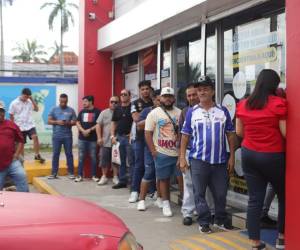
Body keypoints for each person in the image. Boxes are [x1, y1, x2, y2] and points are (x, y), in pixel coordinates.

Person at [236, 69, 286, 250]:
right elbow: (285, 133)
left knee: (254, 199)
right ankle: (281, 238)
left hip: (249, 154)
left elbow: (240, 132)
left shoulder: (243, 104)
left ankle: (255, 242)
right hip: (273, 156)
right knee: (283, 197)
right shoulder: (279, 103)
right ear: (275, 85)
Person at [180, 76, 236, 234]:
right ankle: (204, 222)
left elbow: (230, 135)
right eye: (199, 89)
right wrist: (182, 157)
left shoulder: (222, 111)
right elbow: (185, 136)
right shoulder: (192, 112)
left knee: (220, 193)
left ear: (212, 91)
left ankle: (220, 220)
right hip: (198, 161)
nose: (202, 92)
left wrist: (232, 156)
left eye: (205, 89)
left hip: (219, 161)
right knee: (199, 193)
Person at [145, 87, 181, 217]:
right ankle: (166, 203)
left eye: (170, 96)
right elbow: (147, 133)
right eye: (165, 96)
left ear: (174, 98)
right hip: (162, 153)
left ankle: (184, 203)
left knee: (181, 178)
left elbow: (183, 133)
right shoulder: (154, 113)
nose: (167, 99)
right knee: (163, 179)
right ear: (160, 98)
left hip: (178, 153)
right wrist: (153, 151)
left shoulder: (180, 113)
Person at [136, 89, 162, 211]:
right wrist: (154, 118)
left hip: (165, 147)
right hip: (150, 147)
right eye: (158, 99)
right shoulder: (148, 111)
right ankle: (141, 200)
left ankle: (160, 198)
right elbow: (139, 125)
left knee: (161, 174)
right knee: (149, 172)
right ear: (154, 100)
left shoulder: (171, 111)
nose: (161, 101)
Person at [129, 80, 154, 203]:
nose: (145, 91)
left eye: (147, 89)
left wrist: (144, 118)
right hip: (139, 138)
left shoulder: (153, 101)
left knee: (151, 166)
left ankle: (152, 191)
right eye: (143, 89)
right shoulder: (135, 103)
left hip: (152, 138)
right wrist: (151, 117)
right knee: (139, 164)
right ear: (139, 91)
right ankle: (134, 191)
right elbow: (136, 119)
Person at [9, 88, 45, 163]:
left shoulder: (29, 101)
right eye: (25, 97)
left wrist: (31, 99)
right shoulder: (14, 103)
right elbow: (11, 115)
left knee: (35, 137)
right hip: (19, 126)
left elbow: (36, 109)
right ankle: (22, 159)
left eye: (27, 97)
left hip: (29, 124)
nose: (26, 98)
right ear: (21, 94)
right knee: (21, 144)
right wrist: (12, 127)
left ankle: (37, 155)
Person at [0, 101, 29, 192]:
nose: (0, 113)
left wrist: (16, 154)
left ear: (4, 112)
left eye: (1, 111)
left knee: (22, 176)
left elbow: (21, 140)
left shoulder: (11, 125)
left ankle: (24, 201)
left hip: (12, 162)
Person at [48, 94, 77, 179]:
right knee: (55, 154)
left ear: (67, 101)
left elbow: (75, 122)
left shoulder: (71, 110)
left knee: (69, 154)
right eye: (62, 102)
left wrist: (68, 123)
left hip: (68, 136)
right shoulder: (54, 109)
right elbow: (49, 121)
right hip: (56, 136)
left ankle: (71, 173)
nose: (63, 103)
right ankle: (54, 173)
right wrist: (57, 122)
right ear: (59, 101)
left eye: (65, 102)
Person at [111, 89, 134, 189]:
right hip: (119, 138)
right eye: (121, 94)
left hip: (129, 138)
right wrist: (112, 136)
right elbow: (113, 123)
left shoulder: (133, 107)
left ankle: (133, 182)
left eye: (125, 94)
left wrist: (132, 134)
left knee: (131, 160)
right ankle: (122, 181)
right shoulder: (117, 108)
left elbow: (136, 121)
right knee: (121, 161)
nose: (123, 96)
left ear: (129, 96)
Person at [75, 96, 101, 182]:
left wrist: (89, 130)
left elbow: (99, 124)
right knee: (81, 157)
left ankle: (94, 175)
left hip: (93, 139)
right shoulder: (82, 111)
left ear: (91, 102)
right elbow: (77, 122)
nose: (83, 103)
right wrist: (83, 131)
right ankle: (79, 175)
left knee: (93, 157)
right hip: (82, 138)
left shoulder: (97, 112)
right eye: (83, 102)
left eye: (85, 101)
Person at [96, 96, 120, 185]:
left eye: (116, 102)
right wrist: (99, 138)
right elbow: (98, 125)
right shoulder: (104, 112)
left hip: (117, 142)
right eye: (111, 102)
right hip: (105, 141)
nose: (113, 103)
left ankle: (115, 177)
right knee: (104, 160)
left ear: (119, 103)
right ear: (109, 102)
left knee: (116, 160)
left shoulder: (121, 112)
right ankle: (104, 176)